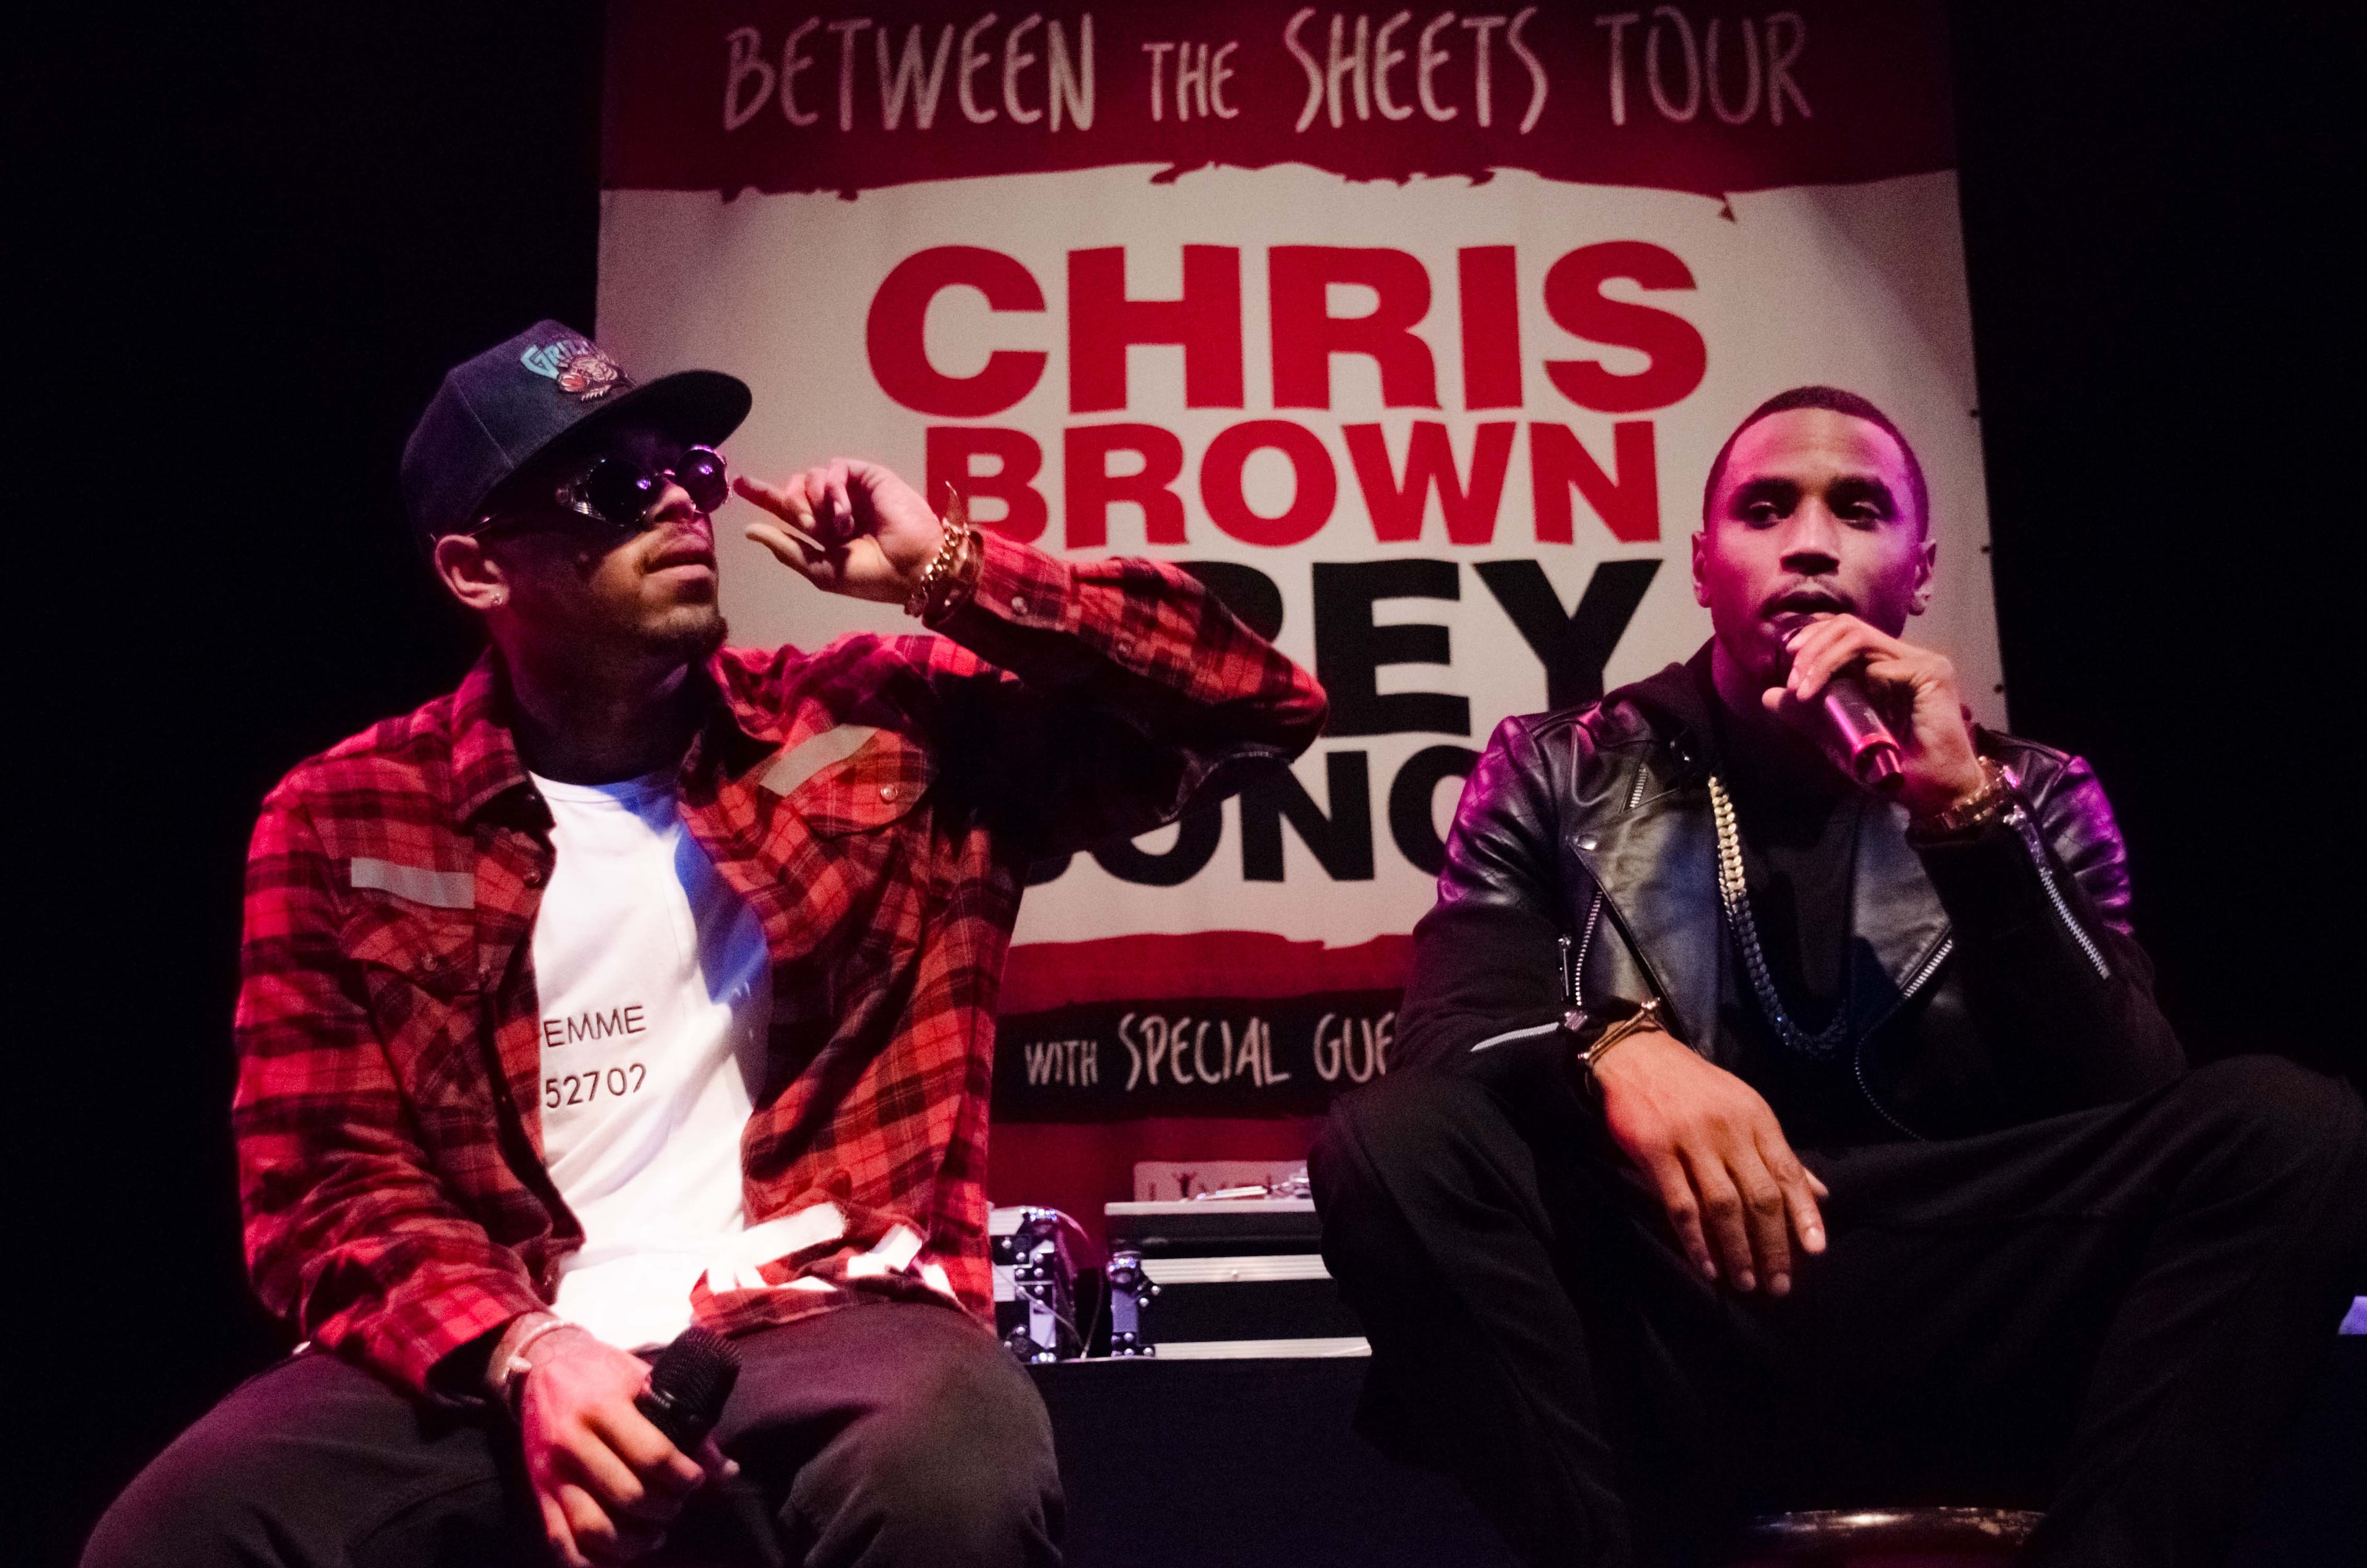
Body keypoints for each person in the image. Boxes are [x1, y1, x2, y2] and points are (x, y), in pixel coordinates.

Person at [84, 322, 1326, 1568]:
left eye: (687, 465)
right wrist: (531, 1352)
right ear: (475, 570)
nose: (681, 498)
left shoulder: (874, 722)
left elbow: (1257, 699)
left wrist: (946, 567)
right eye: (617, 488)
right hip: (486, 1344)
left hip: (822, 1310)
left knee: (952, 1461)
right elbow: (325, 1187)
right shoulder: (346, 812)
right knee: (182, 1527)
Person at [1311, 386, 2365, 1567]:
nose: (1809, 540)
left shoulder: (2035, 792)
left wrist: (1964, 815)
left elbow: (2130, 1083)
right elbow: (1455, 1029)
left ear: (1918, 572)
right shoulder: (1560, 771)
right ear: (1704, 567)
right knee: (1392, 1138)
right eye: (1767, 509)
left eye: (1857, 509)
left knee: (2295, 1127)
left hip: (1963, 1279)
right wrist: (1618, 1048)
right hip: (1675, 1291)